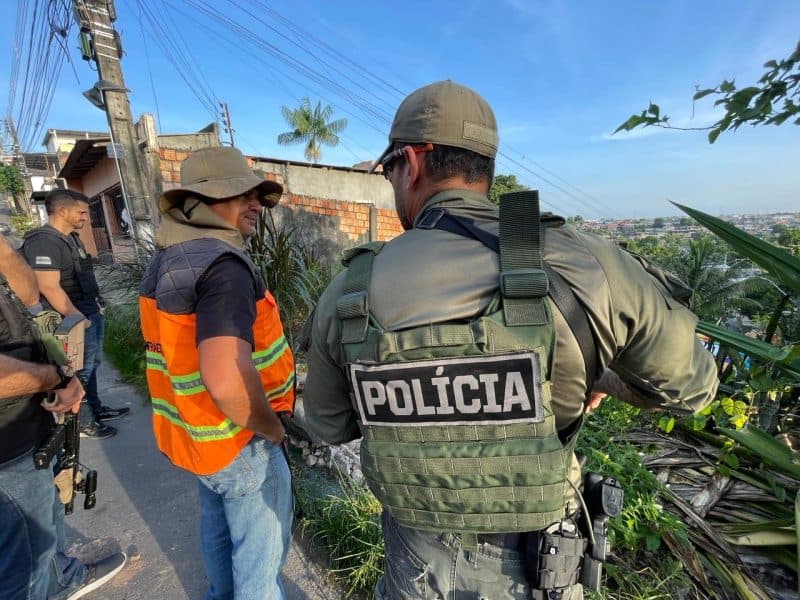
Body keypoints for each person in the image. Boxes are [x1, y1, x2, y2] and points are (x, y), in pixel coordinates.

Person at [302, 81, 719, 599]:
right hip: (543, 562)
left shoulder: (352, 290)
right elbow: (693, 389)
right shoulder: (586, 264)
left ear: (410, 161)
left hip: (418, 561)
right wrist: (595, 373)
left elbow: (328, 423)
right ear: (486, 166)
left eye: (389, 169)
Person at [138, 147, 296, 599]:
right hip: (240, 439)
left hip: (197, 435)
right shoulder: (223, 266)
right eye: (241, 194)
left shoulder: (168, 259)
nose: (256, 205)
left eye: (258, 197)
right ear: (201, 202)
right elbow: (226, 378)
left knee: (218, 536)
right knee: (259, 570)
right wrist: (272, 431)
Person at [0, 233, 127, 600]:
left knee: (43, 531)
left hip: (26, 429)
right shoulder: (48, 240)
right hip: (7, 452)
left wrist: (4, 251)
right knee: (22, 566)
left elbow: (27, 297)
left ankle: (61, 580)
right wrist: (56, 377)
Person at [20, 189, 129, 440]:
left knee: (92, 366)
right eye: (81, 212)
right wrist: (77, 317)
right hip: (69, 320)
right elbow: (48, 286)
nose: (86, 217)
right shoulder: (43, 241)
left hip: (87, 311)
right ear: (62, 211)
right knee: (77, 371)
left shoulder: (70, 238)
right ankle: (81, 422)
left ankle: (96, 409)